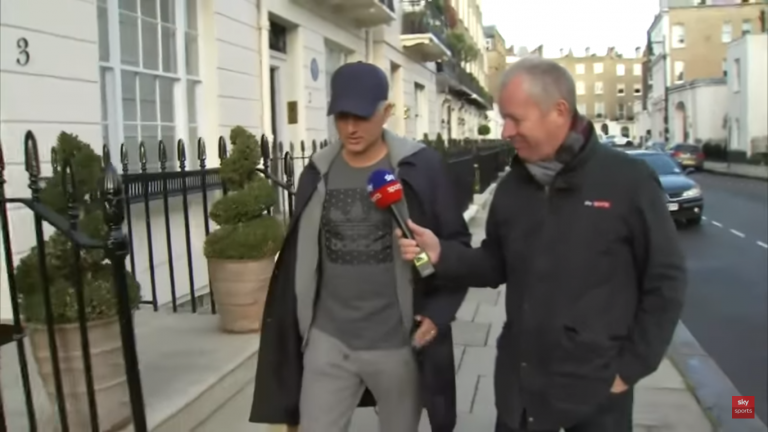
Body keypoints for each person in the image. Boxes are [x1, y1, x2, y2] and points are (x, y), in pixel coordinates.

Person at [397, 57, 687, 432]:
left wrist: (629, 369)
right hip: (519, 395)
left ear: (559, 111)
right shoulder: (513, 186)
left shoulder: (628, 181)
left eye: (515, 119)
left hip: (594, 398)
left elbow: (666, 280)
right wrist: (441, 254)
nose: (505, 131)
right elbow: (495, 263)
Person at [249, 61, 471, 432]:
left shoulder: (420, 168)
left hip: (398, 346)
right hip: (327, 343)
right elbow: (300, 260)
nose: (351, 127)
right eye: (342, 116)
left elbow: (456, 246)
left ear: (386, 112)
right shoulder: (317, 172)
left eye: (362, 116)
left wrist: (438, 312)